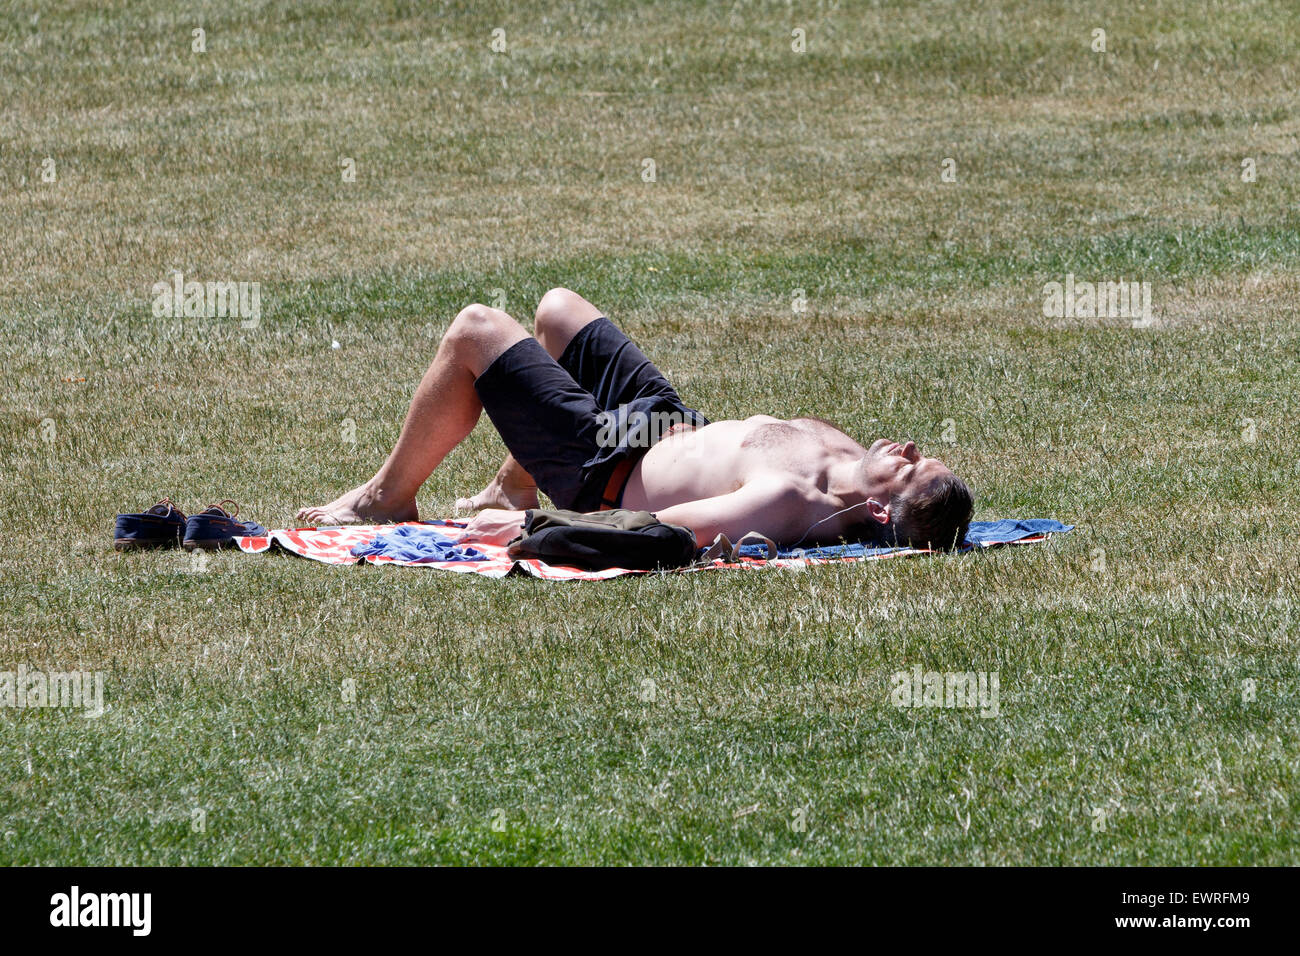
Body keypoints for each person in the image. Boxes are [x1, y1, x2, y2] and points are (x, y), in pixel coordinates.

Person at [297, 288, 973, 550]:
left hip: (605, 468)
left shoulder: (793, 500)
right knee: (559, 310)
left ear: (883, 513)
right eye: (922, 449)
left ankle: (386, 497)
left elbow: (657, 530)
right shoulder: (850, 455)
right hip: (662, 423)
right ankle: (513, 479)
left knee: (476, 330)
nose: (909, 445)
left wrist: (535, 528)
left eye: (912, 465)